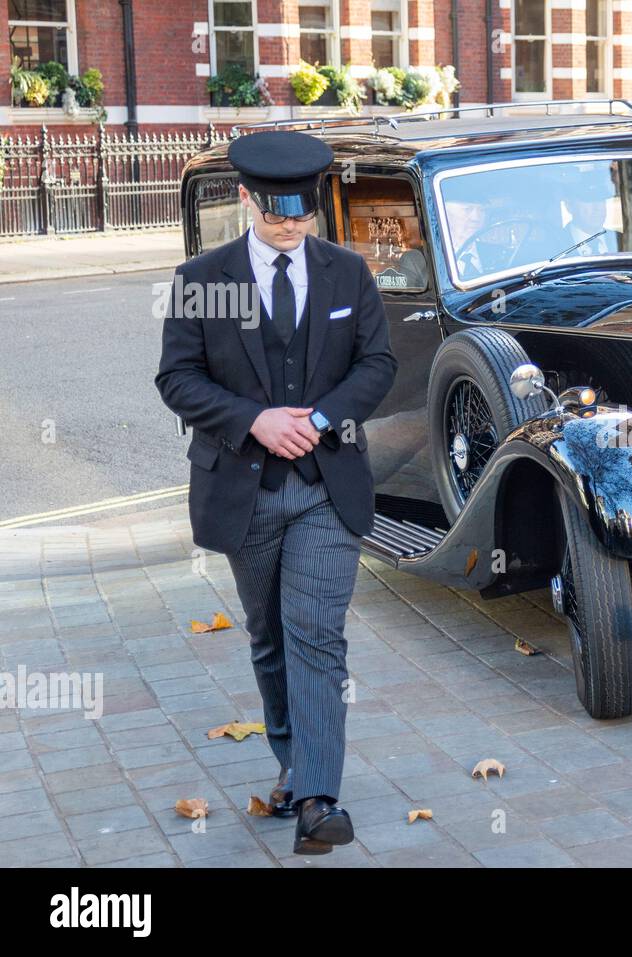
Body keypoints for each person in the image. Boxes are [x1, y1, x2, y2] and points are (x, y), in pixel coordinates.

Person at [155, 130, 397, 855]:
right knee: (269, 640)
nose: (290, 226)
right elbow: (176, 379)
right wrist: (254, 419)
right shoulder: (203, 277)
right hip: (245, 491)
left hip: (328, 488)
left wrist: (320, 417)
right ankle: (295, 763)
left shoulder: (347, 273)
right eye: (276, 214)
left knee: (316, 634)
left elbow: (377, 363)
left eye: (302, 214)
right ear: (245, 199)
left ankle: (320, 799)